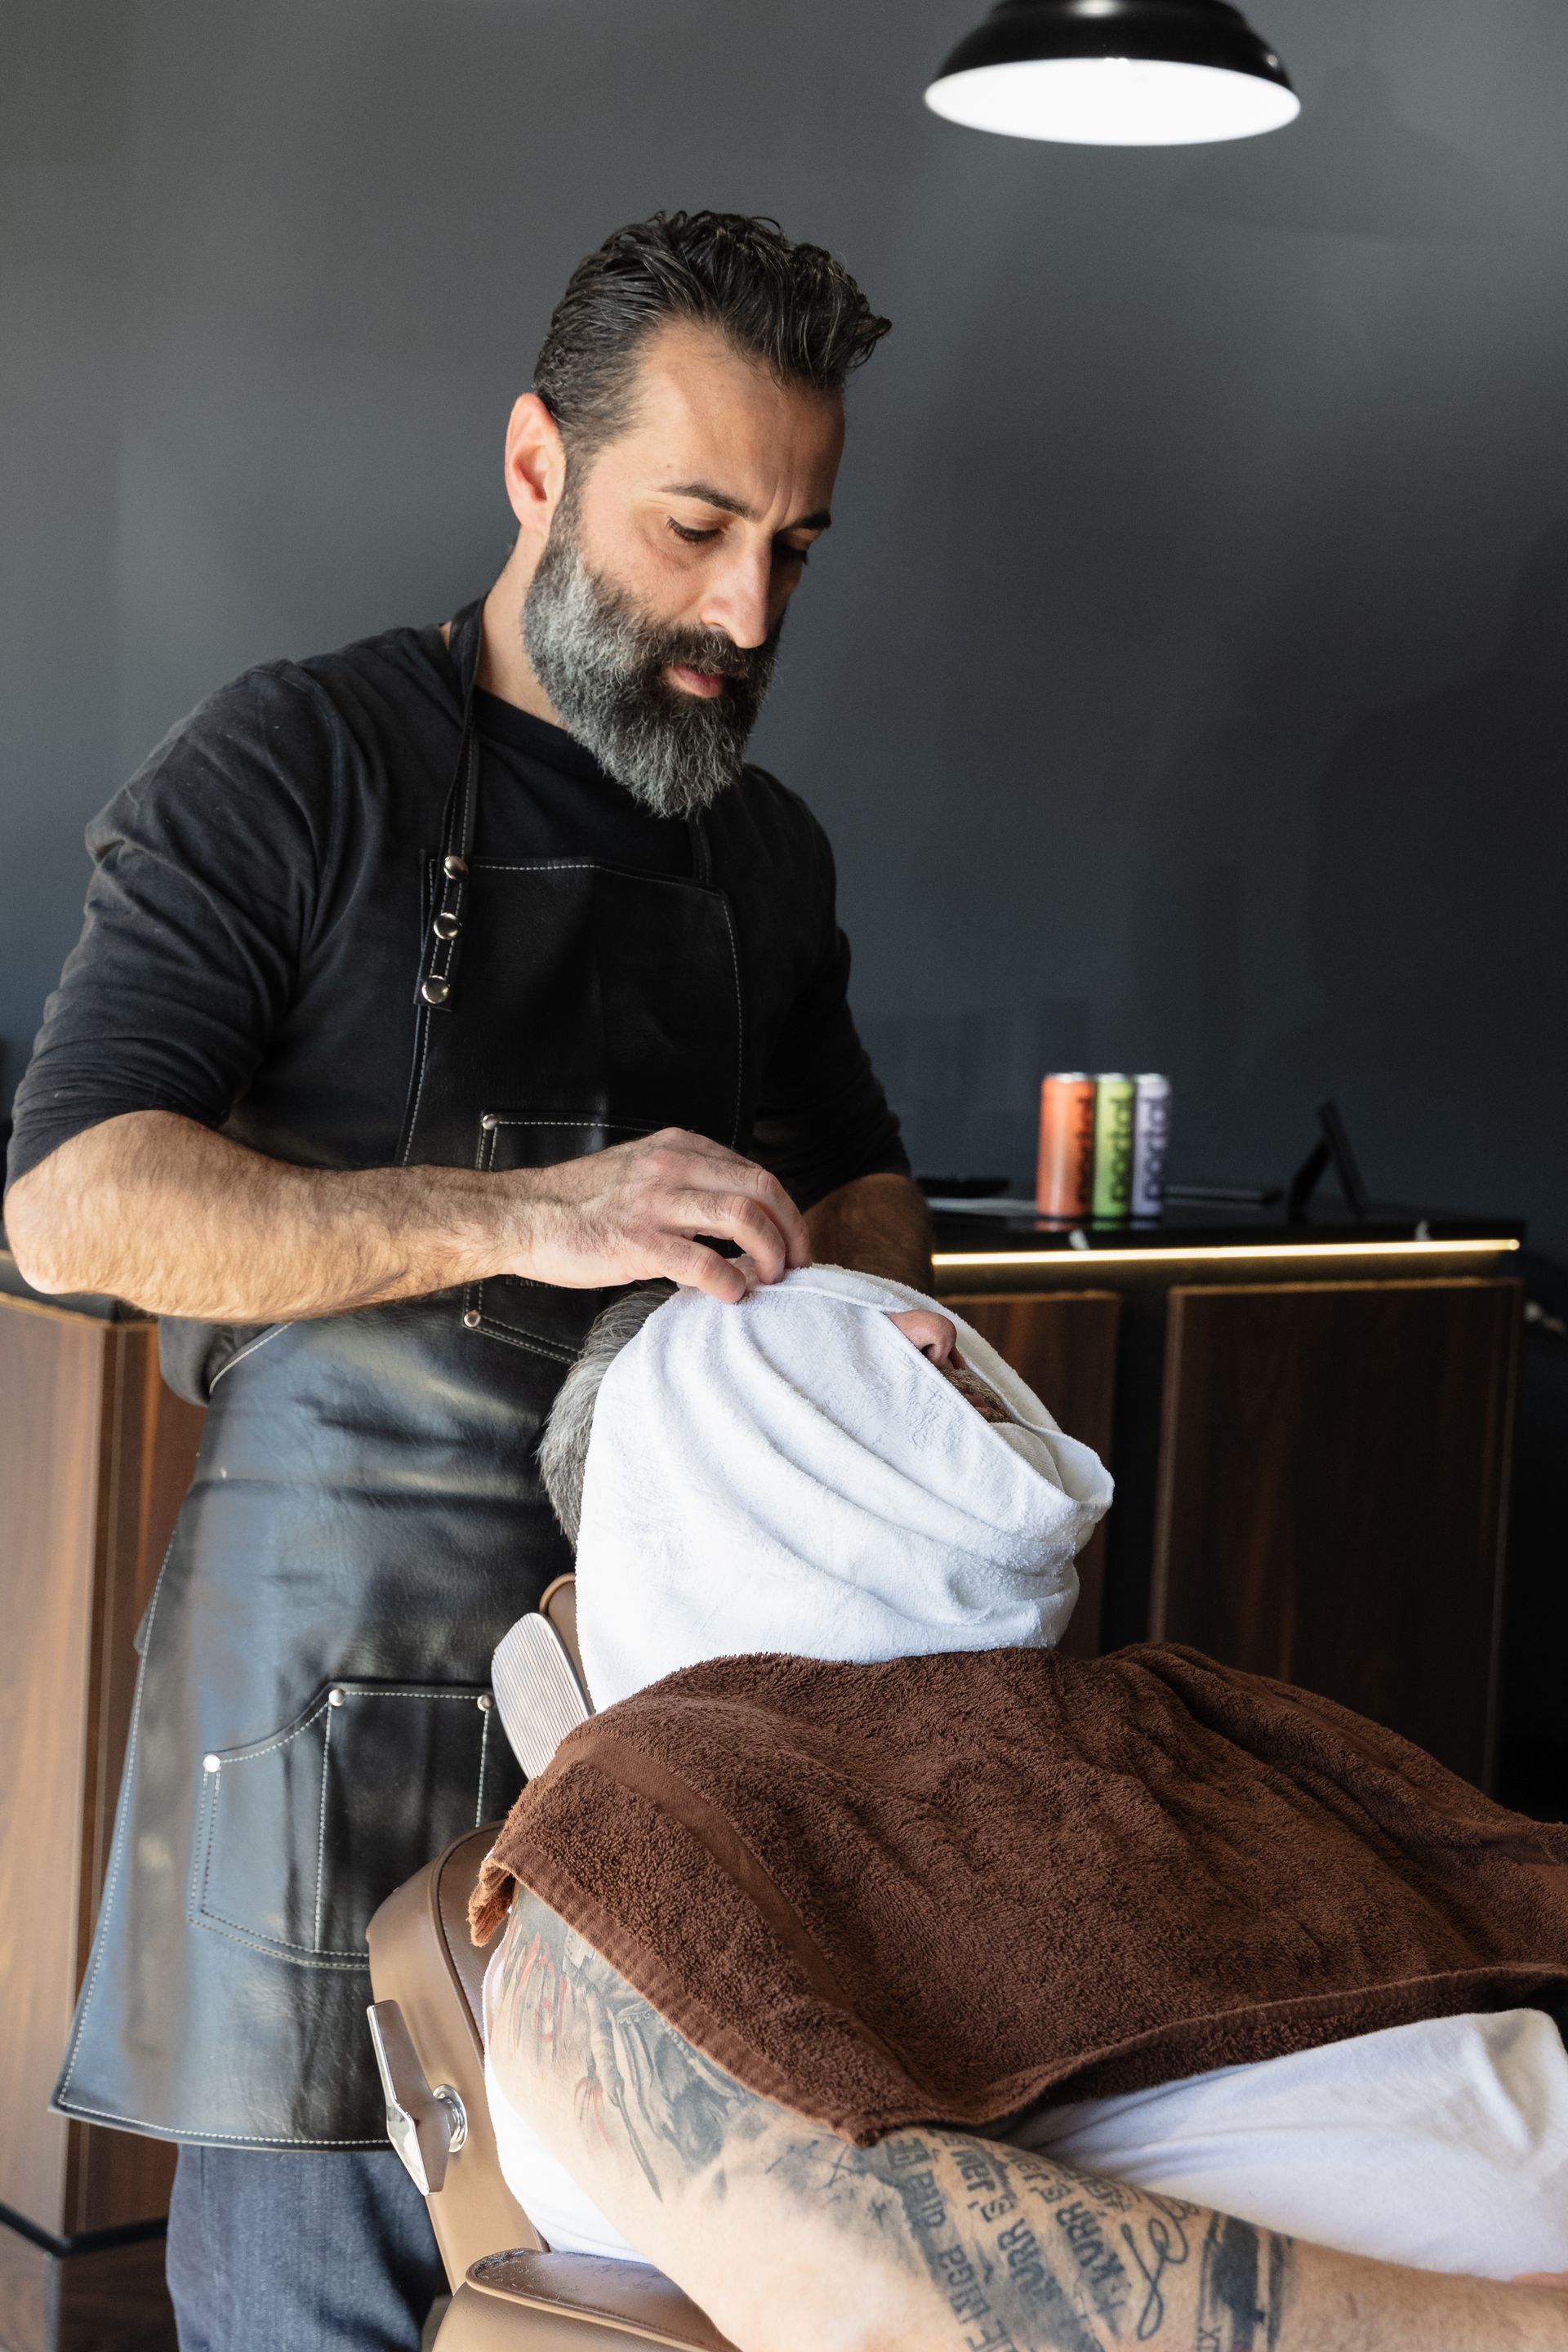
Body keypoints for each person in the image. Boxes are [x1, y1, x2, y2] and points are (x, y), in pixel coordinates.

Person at [2, 212, 932, 2351]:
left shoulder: (760, 850)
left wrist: (821, 1293)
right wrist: (531, 1215)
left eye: (794, 546)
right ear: (536, 464)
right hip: (332, 1742)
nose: (741, 608)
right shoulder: (295, 763)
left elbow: (871, 1179)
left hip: (670, 1725)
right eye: (694, 525)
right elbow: (75, 1199)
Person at [479, 1269, 1568, 2350]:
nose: (928, 1333)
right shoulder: (633, 1824)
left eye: (897, 1303)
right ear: (697, 1455)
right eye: (814, 1338)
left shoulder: (1158, 1709)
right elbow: (848, 2278)